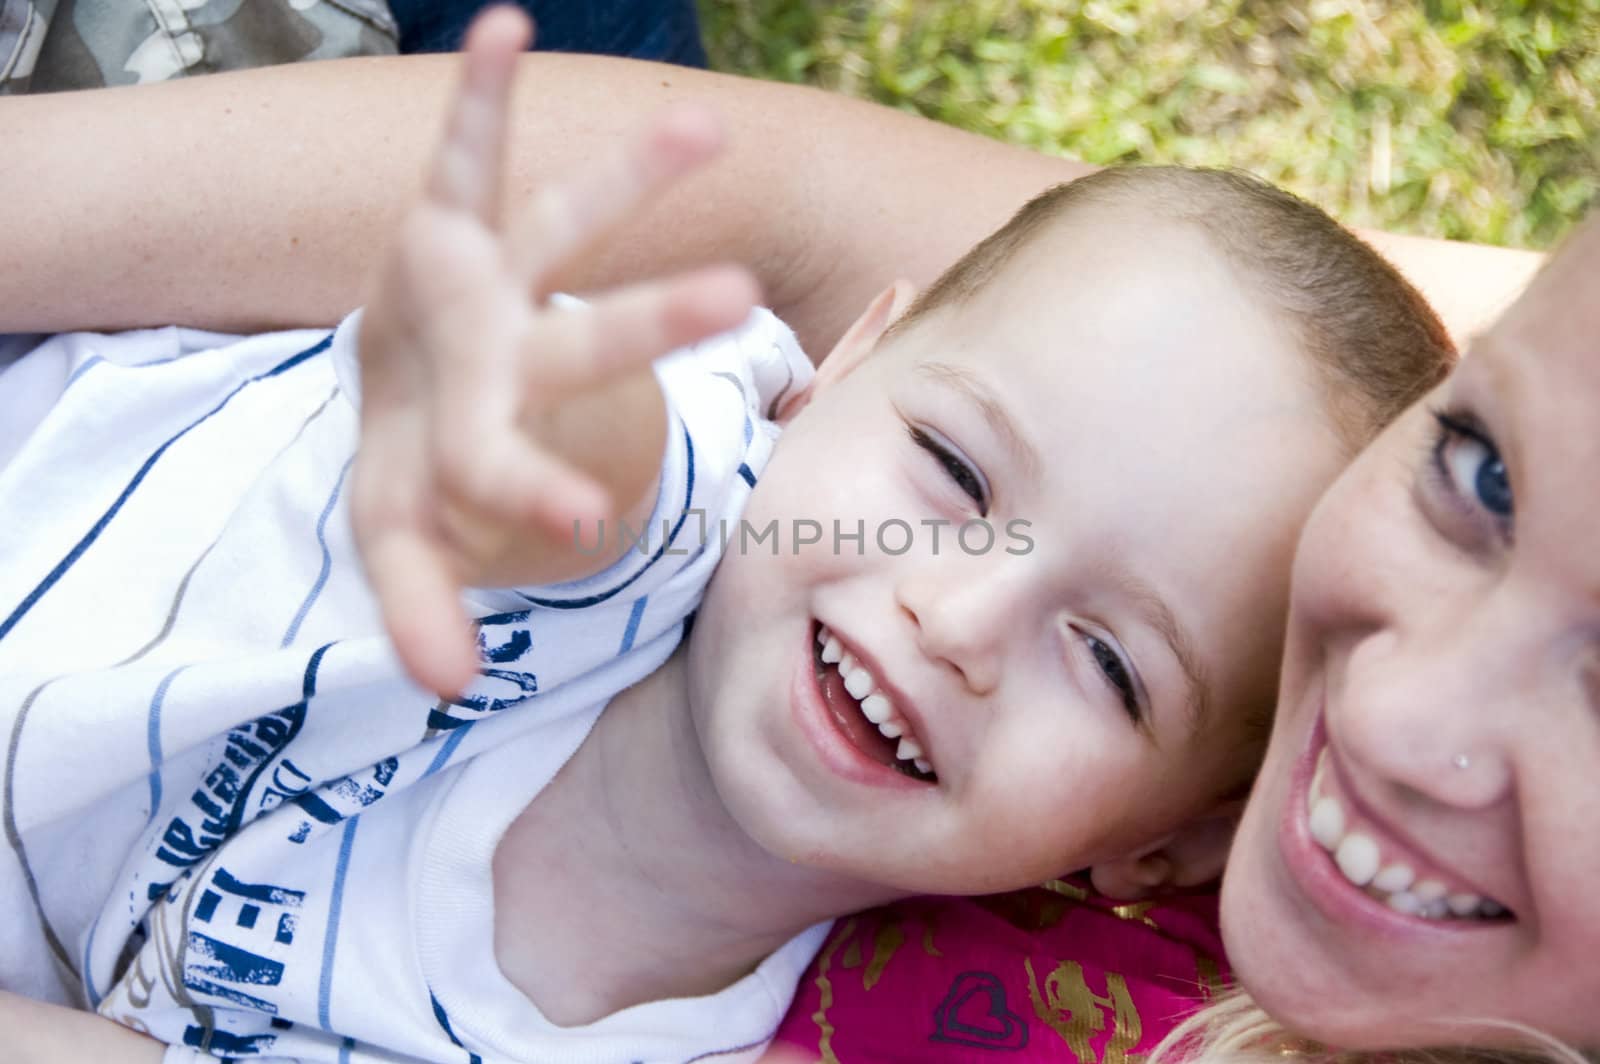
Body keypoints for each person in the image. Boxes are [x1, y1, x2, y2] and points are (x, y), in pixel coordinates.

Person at [0, 8, 1457, 1062]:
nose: (956, 622)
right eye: (952, 469)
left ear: (1152, 852)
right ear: (840, 365)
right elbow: (597, 477)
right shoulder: (685, 509)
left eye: (1112, 663)